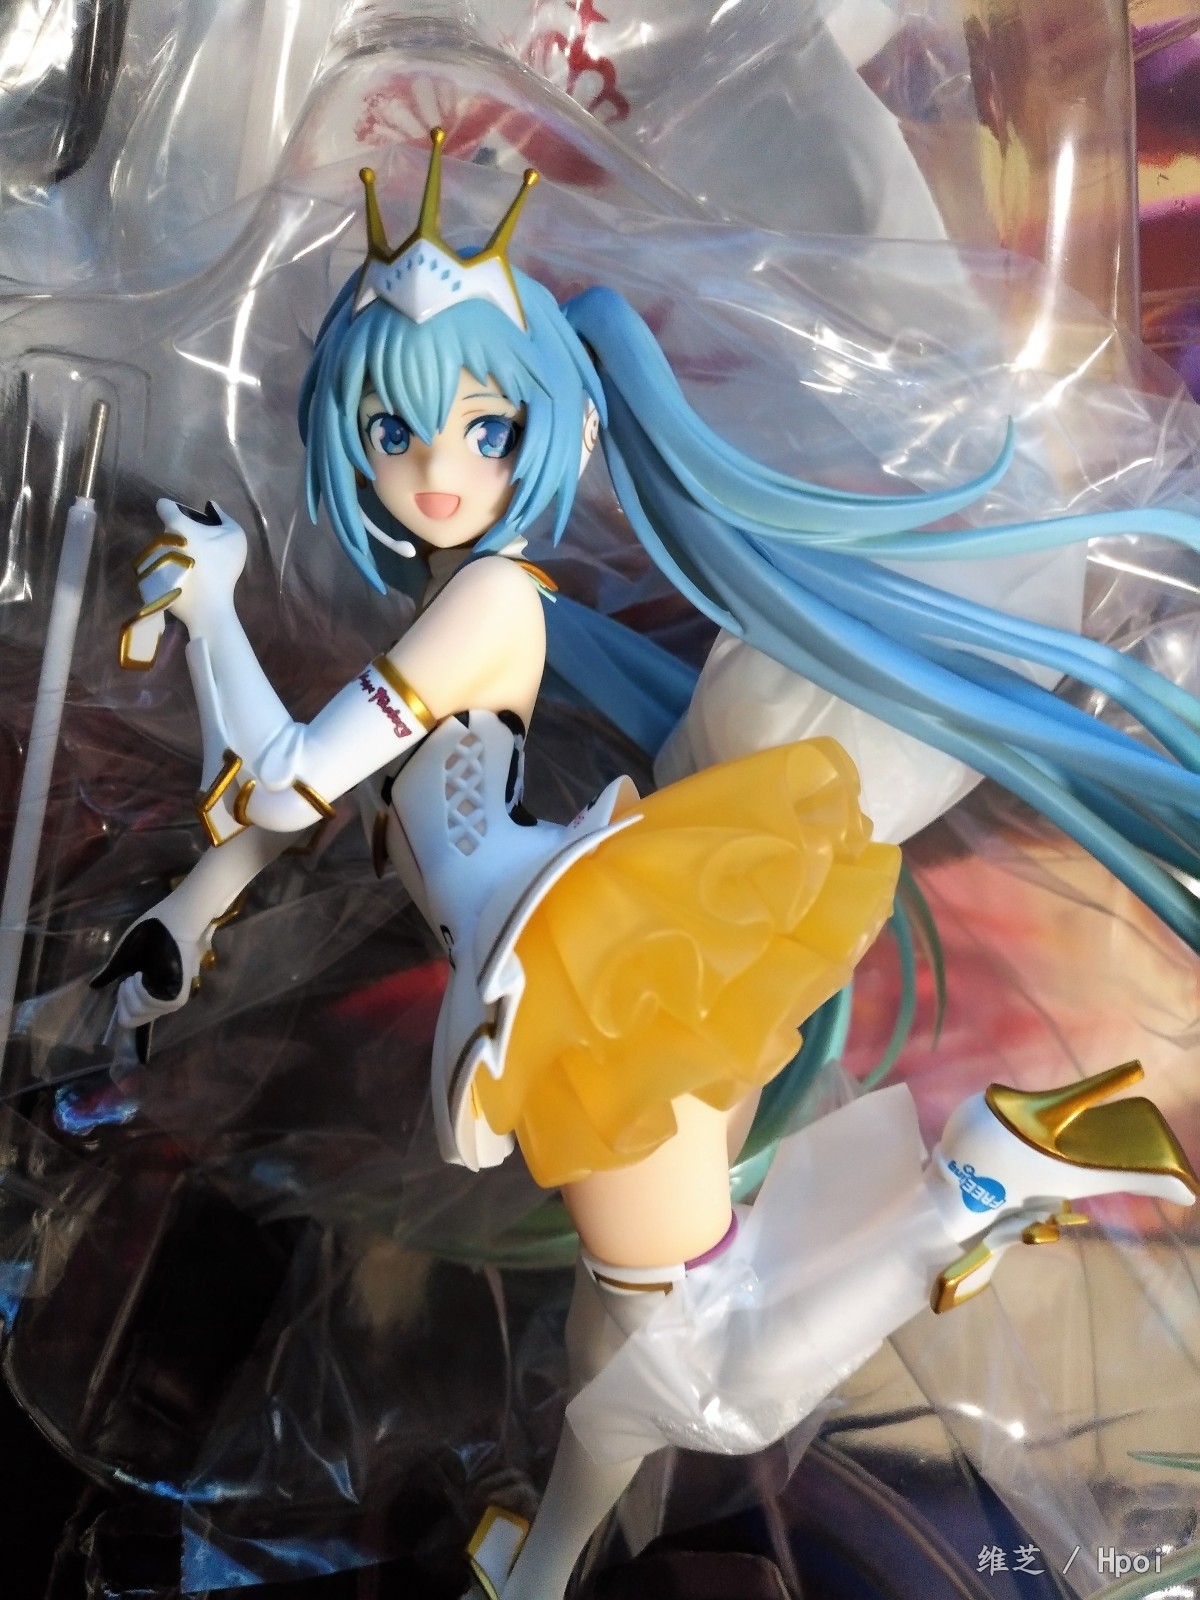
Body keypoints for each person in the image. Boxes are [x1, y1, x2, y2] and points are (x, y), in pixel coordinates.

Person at [96, 129, 1200, 1599]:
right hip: (579, 973)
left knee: (707, 1384)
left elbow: (288, 771)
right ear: (344, 433)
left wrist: (215, 608)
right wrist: (190, 912)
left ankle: (985, 1180)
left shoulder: (491, 602)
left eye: (485, 432)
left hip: (589, 986)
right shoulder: (456, 628)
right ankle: (545, 1565)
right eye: (394, 432)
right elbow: (299, 803)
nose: (438, 473)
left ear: (542, 429)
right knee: (615, 1336)